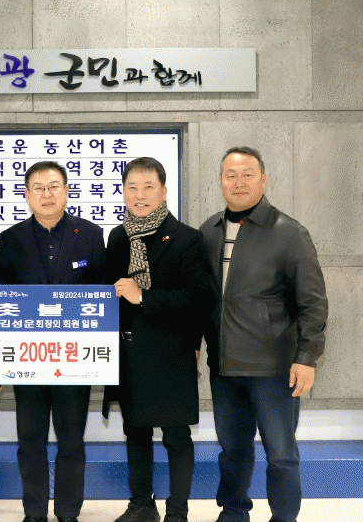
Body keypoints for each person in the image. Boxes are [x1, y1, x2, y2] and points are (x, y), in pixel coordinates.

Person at [200, 146, 328, 522]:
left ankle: (284, 517)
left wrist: (307, 357)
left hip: (274, 368)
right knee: (232, 450)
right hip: (224, 366)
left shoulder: (288, 233)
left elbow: (313, 303)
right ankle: (233, 511)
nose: (238, 182)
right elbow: (203, 298)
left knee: (281, 454)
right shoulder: (209, 231)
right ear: (221, 181)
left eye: (247, 174)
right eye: (230, 175)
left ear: (263, 179)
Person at [0, 161, 106, 522]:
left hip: (75, 360)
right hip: (27, 360)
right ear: (27, 195)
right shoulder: (11, 239)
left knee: (71, 441)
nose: (47, 194)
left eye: (54, 186)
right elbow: (1, 300)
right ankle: (34, 513)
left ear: (67, 191)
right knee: (30, 442)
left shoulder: (90, 235)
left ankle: (68, 512)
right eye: (39, 188)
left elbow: (102, 294)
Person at [103, 157, 209, 522]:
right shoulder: (118, 238)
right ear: (123, 192)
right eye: (132, 187)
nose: (140, 195)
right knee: (135, 432)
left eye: (148, 187)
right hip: (129, 354)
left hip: (170, 354)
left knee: (176, 436)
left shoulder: (188, 239)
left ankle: (177, 512)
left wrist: (143, 297)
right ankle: (141, 505)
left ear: (163, 192)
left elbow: (198, 298)